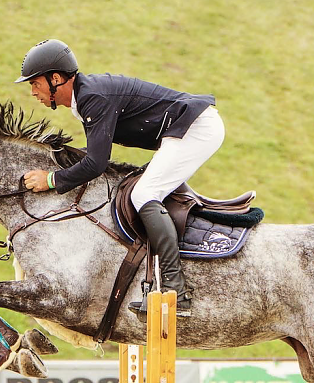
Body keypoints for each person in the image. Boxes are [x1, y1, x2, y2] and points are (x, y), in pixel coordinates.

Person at [17, 39, 225, 317]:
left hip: (195, 128)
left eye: (35, 83)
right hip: (185, 129)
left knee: (143, 194)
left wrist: (52, 180)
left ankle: (176, 290)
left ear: (56, 79)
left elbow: (96, 163)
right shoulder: (85, 97)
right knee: (142, 189)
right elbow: (95, 154)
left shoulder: (93, 98)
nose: (33, 91)